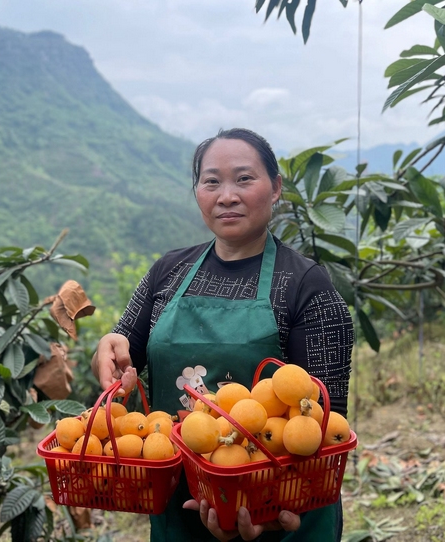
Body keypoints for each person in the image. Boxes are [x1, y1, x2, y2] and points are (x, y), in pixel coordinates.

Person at [92, 128, 354, 541]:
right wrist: (109, 348)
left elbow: (325, 424)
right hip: (181, 504)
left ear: (276, 189)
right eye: (211, 181)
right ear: (197, 192)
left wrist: (264, 501)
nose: (226, 195)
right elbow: (125, 346)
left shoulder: (307, 286)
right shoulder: (168, 272)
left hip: (277, 508)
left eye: (244, 179)